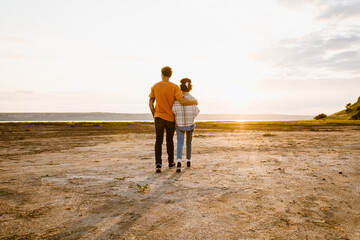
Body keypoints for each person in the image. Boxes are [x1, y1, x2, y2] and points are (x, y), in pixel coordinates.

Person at [149, 66, 198, 173]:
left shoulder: (155, 86)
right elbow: (182, 101)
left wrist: (155, 115)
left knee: (158, 141)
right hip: (170, 118)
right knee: (169, 140)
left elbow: (151, 103)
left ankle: (158, 164)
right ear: (170, 75)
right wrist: (194, 102)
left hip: (158, 117)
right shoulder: (174, 87)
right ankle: (171, 162)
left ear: (161, 74)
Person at [172, 78, 200, 172]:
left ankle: (179, 162)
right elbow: (196, 112)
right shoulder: (193, 100)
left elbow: (174, 111)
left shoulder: (176, 100)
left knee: (180, 142)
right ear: (190, 88)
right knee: (189, 142)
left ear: (181, 88)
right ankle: (188, 161)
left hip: (179, 125)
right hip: (190, 124)